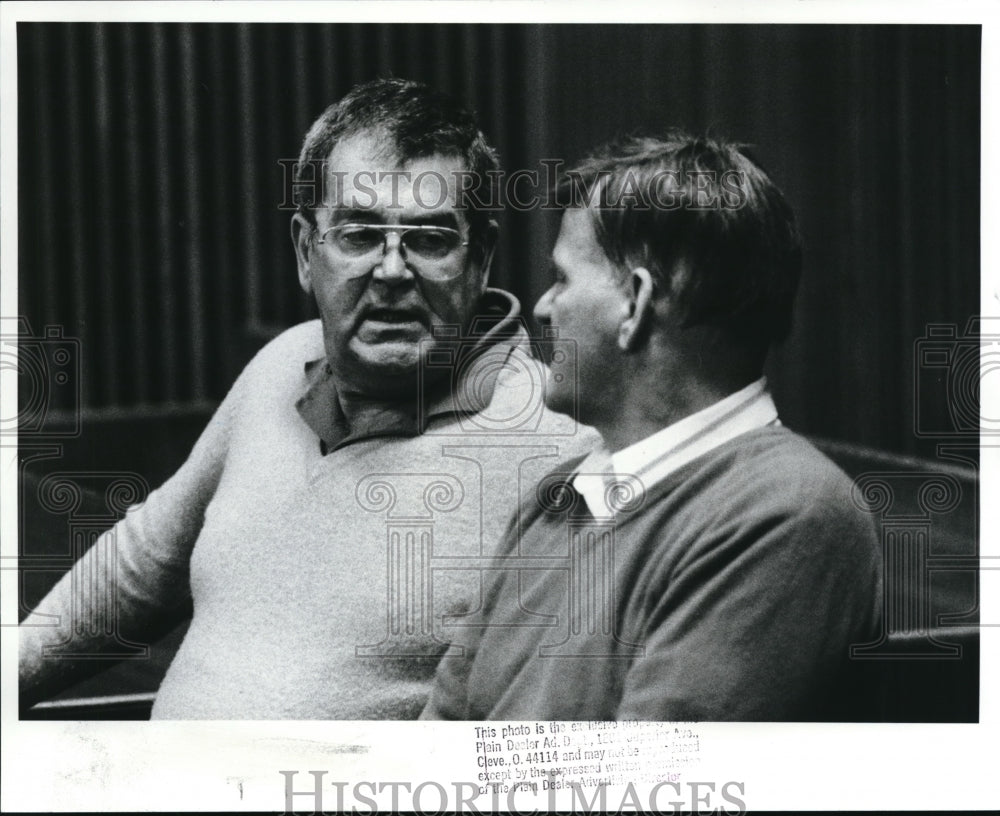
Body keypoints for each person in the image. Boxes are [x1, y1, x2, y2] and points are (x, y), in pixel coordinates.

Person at [18, 78, 595, 719]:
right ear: (303, 251)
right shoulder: (281, 365)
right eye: (358, 235)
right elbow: (139, 566)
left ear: (480, 256)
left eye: (430, 239)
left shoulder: (558, 444)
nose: (394, 270)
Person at [422, 132, 883, 721]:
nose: (541, 307)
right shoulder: (555, 499)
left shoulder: (791, 515)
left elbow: (647, 784)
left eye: (561, 279)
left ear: (635, 304)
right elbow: (433, 744)